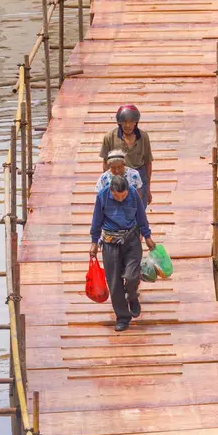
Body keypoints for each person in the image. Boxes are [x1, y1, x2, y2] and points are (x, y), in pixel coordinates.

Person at [89, 174, 156, 332]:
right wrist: (94, 242)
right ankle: (122, 317)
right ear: (111, 191)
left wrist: (147, 236)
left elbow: (141, 217)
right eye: (116, 196)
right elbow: (96, 221)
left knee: (132, 275)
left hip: (131, 239)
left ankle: (132, 296)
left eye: (123, 196)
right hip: (110, 243)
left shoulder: (133, 194)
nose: (120, 199)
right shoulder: (102, 196)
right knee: (114, 282)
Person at [100, 104, 153, 204]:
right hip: (117, 176)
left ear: (136, 122)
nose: (127, 125)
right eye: (124, 122)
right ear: (119, 122)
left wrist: (148, 189)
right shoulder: (109, 137)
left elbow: (148, 163)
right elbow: (105, 164)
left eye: (131, 122)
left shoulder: (144, 137)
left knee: (139, 208)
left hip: (139, 178)